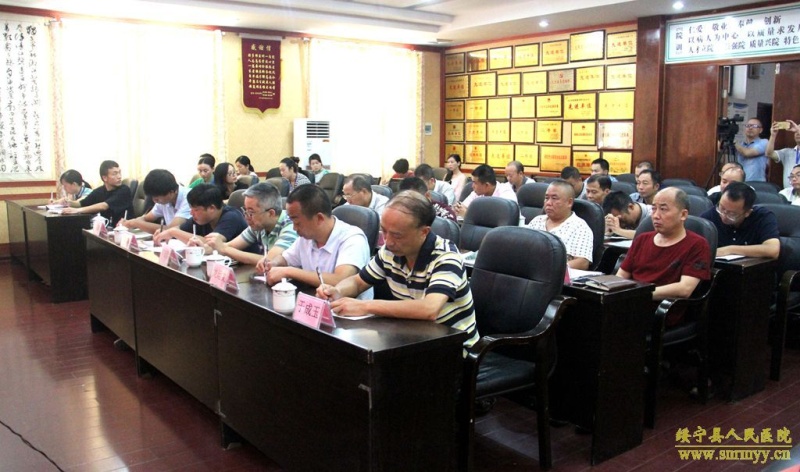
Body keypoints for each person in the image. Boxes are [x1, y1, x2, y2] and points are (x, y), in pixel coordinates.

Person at [316, 190, 478, 349]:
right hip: (411, 340)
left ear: (423, 232)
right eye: (384, 231)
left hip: (455, 348)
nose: (388, 241)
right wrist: (337, 291)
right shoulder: (389, 251)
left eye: (397, 235)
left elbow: (429, 309)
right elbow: (358, 282)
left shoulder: (446, 257)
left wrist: (364, 306)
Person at [616, 187, 711, 326]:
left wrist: (640, 295)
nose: (656, 215)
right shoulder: (642, 239)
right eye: (654, 209)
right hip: (631, 304)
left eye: (663, 209)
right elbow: (621, 276)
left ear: (683, 214)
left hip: (662, 311)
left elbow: (685, 289)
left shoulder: (697, 244)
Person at [256, 185, 371, 297]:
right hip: (312, 301)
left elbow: (341, 280)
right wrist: (273, 263)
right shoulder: (306, 237)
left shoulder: (353, 238)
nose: (294, 228)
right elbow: (286, 258)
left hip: (346, 307)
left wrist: (288, 271)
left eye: (297, 223)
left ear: (319, 218)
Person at [206, 182, 298, 264]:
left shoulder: (291, 225)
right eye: (245, 210)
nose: (246, 216)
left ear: (271, 213)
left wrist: (224, 249)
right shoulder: (258, 225)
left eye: (251, 212)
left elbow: (270, 260)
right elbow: (229, 246)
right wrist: (208, 246)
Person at [153, 183, 248, 251]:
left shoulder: (231, 217)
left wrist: (173, 232)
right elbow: (180, 229)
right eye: (191, 208)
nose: (191, 213)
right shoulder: (201, 218)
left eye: (196, 209)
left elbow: (212, 244)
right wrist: (166, 232)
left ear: (211, 208)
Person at [700, 181, 779, 259]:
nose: (724, 216)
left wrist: (730, 249)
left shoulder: (762, 217)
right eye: (722, 208)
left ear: (747, 212)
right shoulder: (711, 215)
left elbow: (773, 250)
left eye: (732, 214)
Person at [526, 179, 593, 270]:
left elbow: (582, 263)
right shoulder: (536, 221)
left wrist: (552, 269)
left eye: (554, 198)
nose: (548, 203)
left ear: (569, 202)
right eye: (546, 198)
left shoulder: (580, 227)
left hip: (557, 275)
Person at [62, 160, 133, 226]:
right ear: (104, 178)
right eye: (115, 174)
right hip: (108, 228)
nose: (119, 176)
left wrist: (77, 210)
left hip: (125, 229)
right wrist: (69, 202)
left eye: (119, 172)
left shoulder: (124, 190)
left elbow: (104, 206)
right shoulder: (100, 191)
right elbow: (81, 203)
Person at [119, 169, 190, 233]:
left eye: (157, 198)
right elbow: (146, 218)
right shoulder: (163, 197)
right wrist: (128, 223)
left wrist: (136, 223)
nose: (155, 201)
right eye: (152, 197)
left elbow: (171, 230)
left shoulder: (188, 198)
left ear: (171, 192)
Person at [767, 119, 800, 187]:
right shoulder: (787, 152)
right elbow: (769, 153)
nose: (797, 133)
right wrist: (773, 135)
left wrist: (797, 130)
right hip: (788, 192)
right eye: (795, 132)